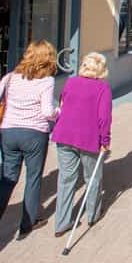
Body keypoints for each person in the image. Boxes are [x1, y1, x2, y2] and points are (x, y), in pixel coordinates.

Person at [0, 41, 59, 244]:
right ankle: (27, 223)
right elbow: (47, 112)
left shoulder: (10, 77)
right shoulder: (46, 81)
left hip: (8, 132)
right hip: (34, 133)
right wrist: (60, 111)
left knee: (7, 179)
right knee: (33, 178)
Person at [52, 52, 112, 238]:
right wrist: (105, 141)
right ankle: (93, 215)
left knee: (65, 179)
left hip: (64, 135)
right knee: (92, 177)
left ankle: (62, 222)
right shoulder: (103, 88)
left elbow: (63, 104)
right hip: (88, 138)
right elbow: (104, 118)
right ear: (101, 69)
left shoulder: (70, 82)